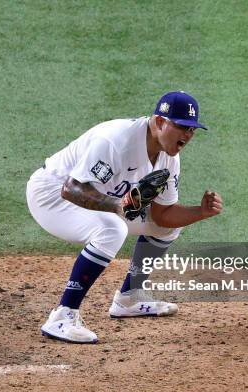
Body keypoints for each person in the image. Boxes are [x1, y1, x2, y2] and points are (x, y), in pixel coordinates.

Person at [26, 91, 223, 343]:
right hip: (51, 196)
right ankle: (63, 316)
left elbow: (163, 216)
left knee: (167, 230)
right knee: (112, 229)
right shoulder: (115, 140)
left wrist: (200, 212)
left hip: (96, 200)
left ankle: (129, 298)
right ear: (160, 122)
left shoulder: (168, 158)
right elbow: (72, 188)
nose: (188, 134)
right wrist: (118, 205)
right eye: (182, 126)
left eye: (193, 129)